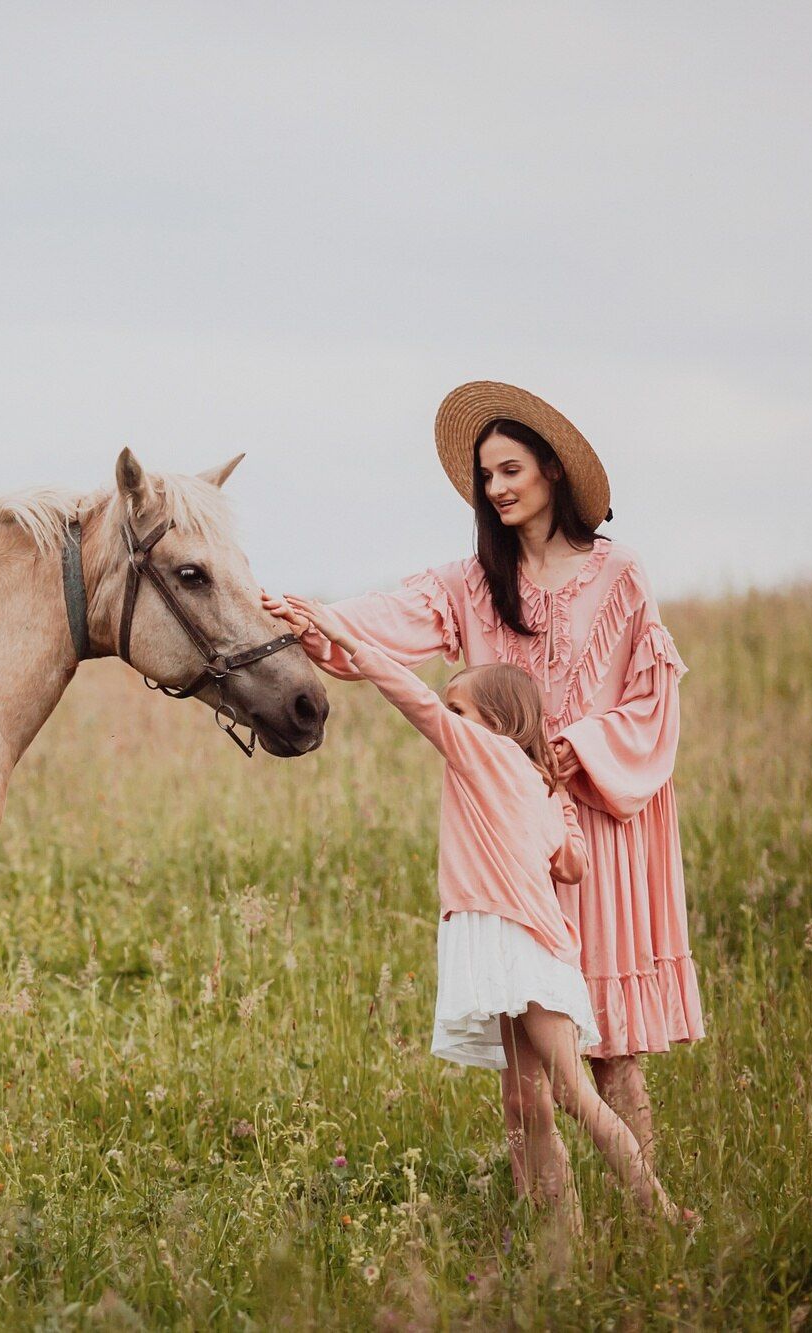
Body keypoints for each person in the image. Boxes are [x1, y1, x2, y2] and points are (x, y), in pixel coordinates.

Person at [264, 382, 701, 1180]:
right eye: (486, 475)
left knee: (612, 1050)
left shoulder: (621, 575)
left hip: (599, 825)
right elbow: (384, 620)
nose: (497, 487)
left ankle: (647, 1228)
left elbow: (652, 699)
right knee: (525, 1067)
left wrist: (575, 746)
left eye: (510, 469)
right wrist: (298, 617)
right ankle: (554, 1248)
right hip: (507, 837)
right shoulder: (469, 583)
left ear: (553, 472)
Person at [284, 593, 687, 1225]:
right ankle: (562, 1243)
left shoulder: (484, 754)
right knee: (530, 1105)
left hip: (522, 946)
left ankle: (662, 1211)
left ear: (495, 723)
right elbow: (571, 867)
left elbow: (407, 695)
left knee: (575, 1095)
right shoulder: (536, 784)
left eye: (459, 710)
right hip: (504, 946)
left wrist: (337, 631)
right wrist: (554, 818)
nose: (448, 720)